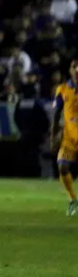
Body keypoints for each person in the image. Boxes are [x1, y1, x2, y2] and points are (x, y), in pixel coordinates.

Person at [51, 59, 78, 216]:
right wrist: (53, 136)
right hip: (69, 138)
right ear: (70, 70)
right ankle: (73, 200)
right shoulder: (62, 89)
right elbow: (55, 115)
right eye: (74, 67)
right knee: (62, 166)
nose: (76, 70)